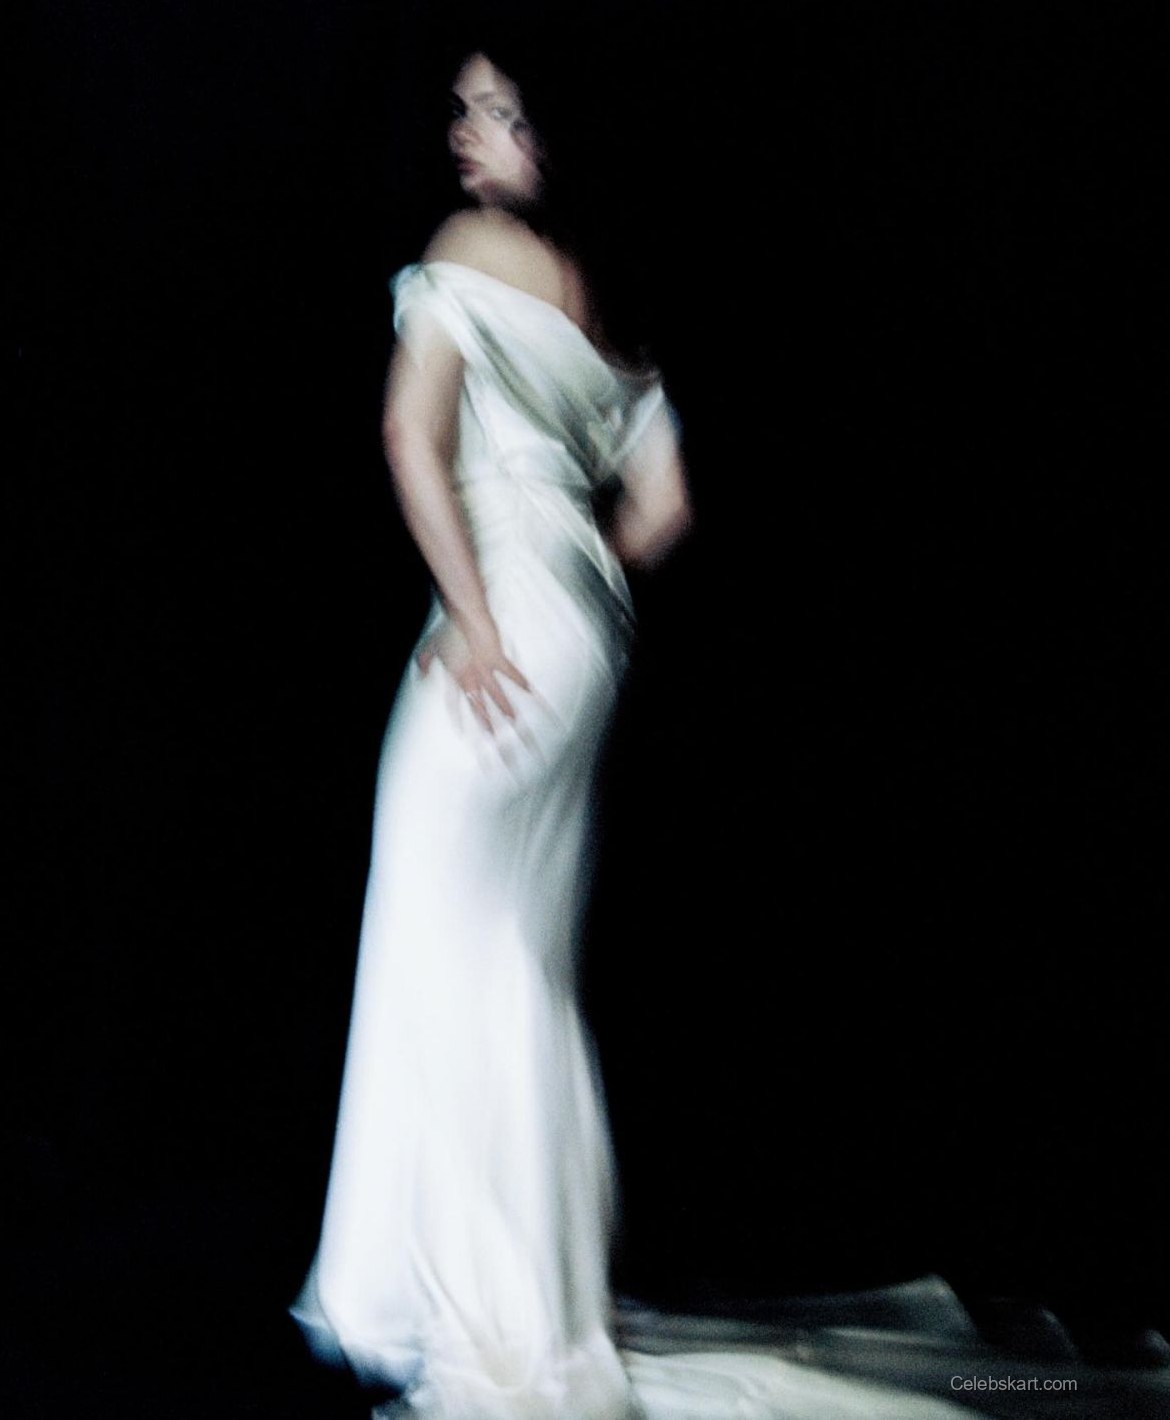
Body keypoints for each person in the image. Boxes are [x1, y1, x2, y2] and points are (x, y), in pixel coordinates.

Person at [290, 44, 993, 1420]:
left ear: (557, 133)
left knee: (445, 931)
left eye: (501, 112)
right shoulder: (614, 300)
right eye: (463, 108)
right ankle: (524, 1296)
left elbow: (406, 433)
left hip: (503, 622)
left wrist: (475, 612)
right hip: (583, 634)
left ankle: (457, 1297)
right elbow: (664, 509)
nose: (466, 132)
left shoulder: (469, 247)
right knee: (515, 956)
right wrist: (570, 576)